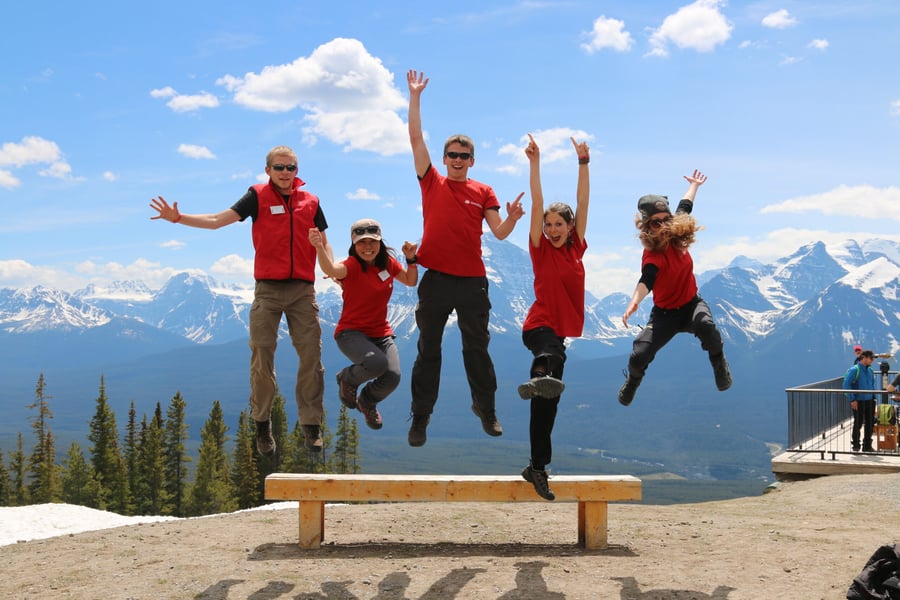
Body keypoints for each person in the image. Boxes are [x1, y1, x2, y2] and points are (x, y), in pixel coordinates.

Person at [150, 145, 333, 455]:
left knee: (312, 357)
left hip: (303, 289)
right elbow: (216, 220)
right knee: (262, 357)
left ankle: (311, 426)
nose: (285, 173)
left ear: (297, 172)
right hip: (268, 289)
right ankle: (262, 425)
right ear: (268, 171)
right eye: (279, 167)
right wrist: (178, 218)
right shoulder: (257, 197)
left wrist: (332, 267)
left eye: (291, 168)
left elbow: (324, 241)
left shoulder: (311, 202)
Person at [405, 69, 525, 447]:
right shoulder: (432, 181)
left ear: (473, 160)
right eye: (452, 155)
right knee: (429, 350)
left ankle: (486, 410)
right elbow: (414, 137)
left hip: (472, 281)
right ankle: (420, 417)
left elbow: (499, 232)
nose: (458, 160)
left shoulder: (483, 190)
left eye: (464, 156)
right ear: (444, 158)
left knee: (477, 349)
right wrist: (415, 96)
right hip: (436, 279)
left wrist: (513, 218)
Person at [516, 134, 590, 501]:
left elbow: (582, 201)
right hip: (537, 327)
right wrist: (535, 162)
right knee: (550, 356)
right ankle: (538, 377)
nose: (553, 230)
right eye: (549, 226)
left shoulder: (577, 247)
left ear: (570, 228)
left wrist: (583, 163)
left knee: (547, 407)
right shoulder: (539, 249)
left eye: (559, 225)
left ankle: (537, 467)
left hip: (557, 337)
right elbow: (537, 202)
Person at [618, 170, 732, 407]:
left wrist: (694, 185)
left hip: (691, 305)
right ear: (647, 226)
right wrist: (634, 301)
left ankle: (719, 364)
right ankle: (633, 382)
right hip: (665, 314)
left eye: (666, 219)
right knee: (639, 356)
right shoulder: (652, 255)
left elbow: (685, 206)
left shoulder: (678, 233)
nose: (662, 225)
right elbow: (646, 280)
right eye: (655, 222)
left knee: (707, 327)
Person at [308, 219, 419, 430]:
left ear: (380, 242)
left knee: (393, 377)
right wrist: (319, 247)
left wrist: (411, 259)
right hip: (351, 334)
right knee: (377, 364)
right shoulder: (350, 266)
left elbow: (410, 280)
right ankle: (347, 379)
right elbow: (330, 267)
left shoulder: (387, 263)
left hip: (381, 333)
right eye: (362, 242)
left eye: (372, 241)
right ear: (354, 244)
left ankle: (367, 401)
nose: (368, 247)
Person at [844, 349, 877, 452]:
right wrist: (852, 399)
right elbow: (846, 384)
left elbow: (871, 384)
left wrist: (873, 397)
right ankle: (856, 445)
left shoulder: (870, 370)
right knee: (858, 423)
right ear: (864, 358)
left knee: (870, 423)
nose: (872, 360)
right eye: (871, 358)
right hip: (859, 401)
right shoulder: (855, 370)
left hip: (870, 400)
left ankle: (867, 445)